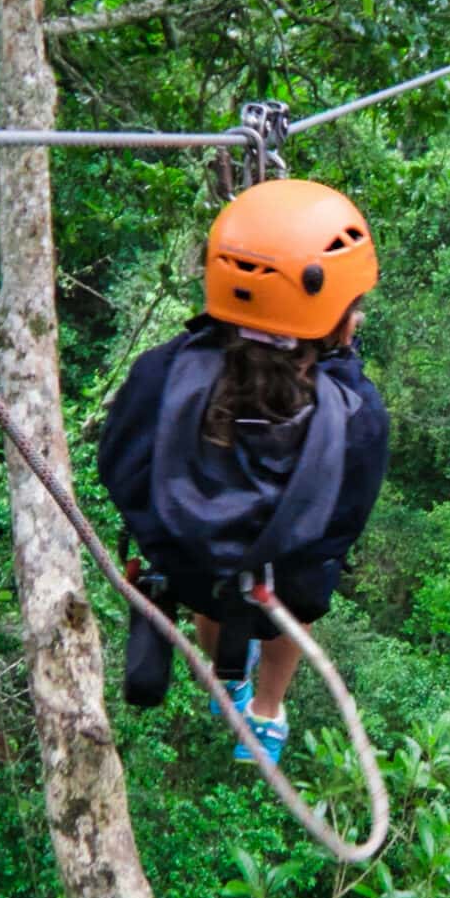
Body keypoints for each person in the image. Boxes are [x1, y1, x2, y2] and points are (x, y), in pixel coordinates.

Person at [97, 179, 389, 765]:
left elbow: (119, 465)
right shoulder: (355, 417)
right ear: (327, 319)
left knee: (214, 597)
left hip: (192, 570)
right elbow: (344, 523)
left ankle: (227, 678)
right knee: (288, 612)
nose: (354, 319)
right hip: (288, 588)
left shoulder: (163, 377)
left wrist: (173, 536)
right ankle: (266, 711)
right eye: (350, 309)